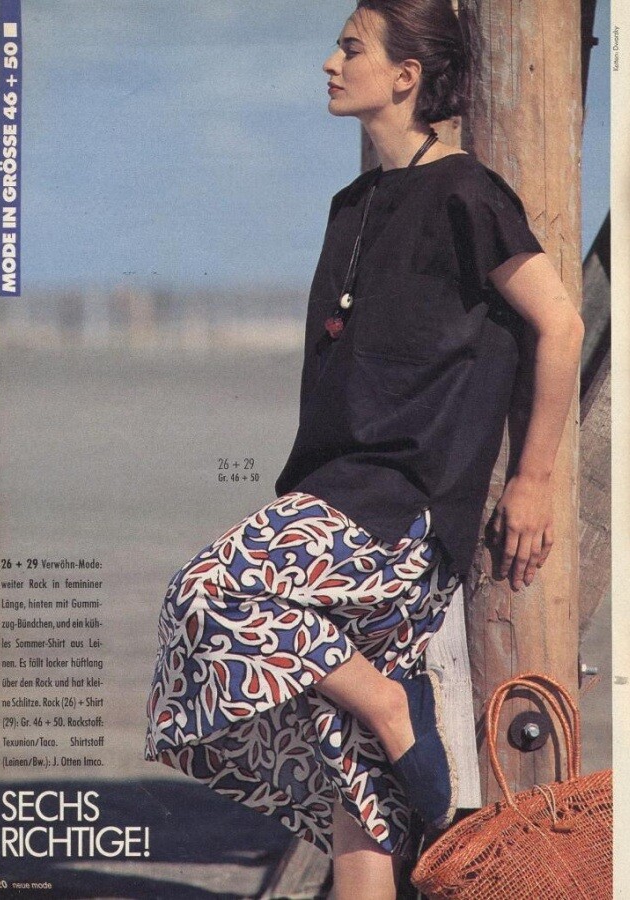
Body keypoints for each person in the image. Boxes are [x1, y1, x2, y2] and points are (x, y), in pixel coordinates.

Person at [145, 1, 584, 897]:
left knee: (210, 589)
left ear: (406, 76)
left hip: (397, 515)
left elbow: (562, 323)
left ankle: (389, 702)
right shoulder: (353, 203)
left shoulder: (467, 193)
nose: (330, 62)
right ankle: (384, 717)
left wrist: (533, 479)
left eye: (351, 48)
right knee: (361, 789)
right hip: (337, 496)